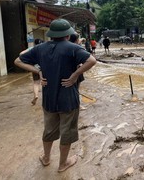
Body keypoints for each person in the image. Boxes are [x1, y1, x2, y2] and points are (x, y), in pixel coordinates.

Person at [14, 18, 96, 173]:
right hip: (69, 100)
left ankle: (46, 158)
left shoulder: (40, 48)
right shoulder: (72, 48)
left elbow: (18, 61)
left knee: (49, 129)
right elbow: (92, 60)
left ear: (51, 34)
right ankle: (63, 164)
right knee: (67, 132)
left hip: (49, 99)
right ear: (67, 34)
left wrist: (38, 71)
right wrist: (75, 75)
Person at [19, 38, 44, 105]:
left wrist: (29, 61)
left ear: (35, 43)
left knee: (36, 83)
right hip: (44, 68)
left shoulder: (32, 49)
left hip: (35, 68)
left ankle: (36, 95)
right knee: (46, 83)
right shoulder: (44, 48)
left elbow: (21, 53)